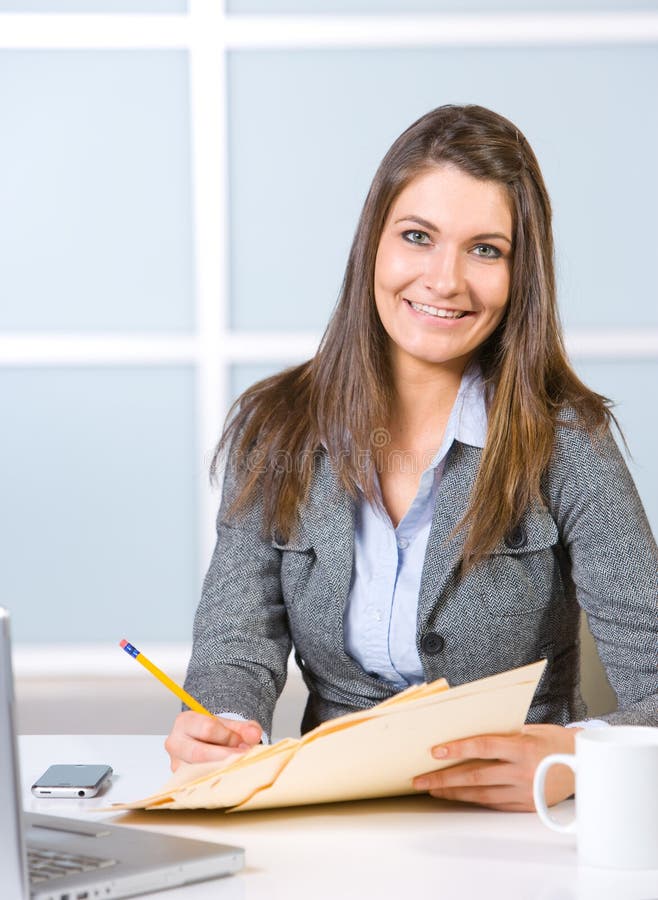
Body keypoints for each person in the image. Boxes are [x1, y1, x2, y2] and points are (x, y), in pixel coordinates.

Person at [165, 104, 657, 811]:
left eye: (486, 249)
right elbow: (235, 645)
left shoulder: (567, 440)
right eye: (418, 237)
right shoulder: (275, 429)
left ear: (523, 274)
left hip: (522, 831)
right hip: (331, 819)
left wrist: (582, 756)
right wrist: (222, 726)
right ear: (374, 244)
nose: (445, 280)